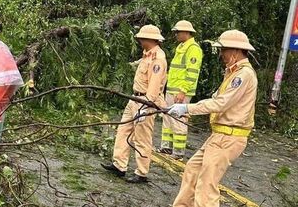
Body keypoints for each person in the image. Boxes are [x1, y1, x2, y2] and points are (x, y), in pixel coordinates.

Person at [168, 30, 257, 207]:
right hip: (219, 135)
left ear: (236, 50)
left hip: (229, 137)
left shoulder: (243, 75)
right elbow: (216, 99)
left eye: (224, 50)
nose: (221, 54)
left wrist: (187, 107)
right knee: (193, 169)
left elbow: (220, 104)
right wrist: (187, 109)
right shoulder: (232, 72)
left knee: (206, 185)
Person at [101, 25, 168, 183]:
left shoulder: (158, 59)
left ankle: (142, 172)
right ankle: (119, 165)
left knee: (142, 138)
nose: (139, 41)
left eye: (142, 38)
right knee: (123, 130)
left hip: (144, 101)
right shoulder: (147, 55)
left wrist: (145, 107)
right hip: (134, 98)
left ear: (151, 39)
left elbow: (154, 85)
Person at [158, 20, 203, 159]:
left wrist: (183, 91)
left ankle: (178, 152)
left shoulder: (193, 49)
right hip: (172, 89)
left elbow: (192, 73)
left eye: (178, 32)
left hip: (181, 92)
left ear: (186, 32)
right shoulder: (181, 47)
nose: (176, 34)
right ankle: (166, 147)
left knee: (179, 120)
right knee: (167, 117)